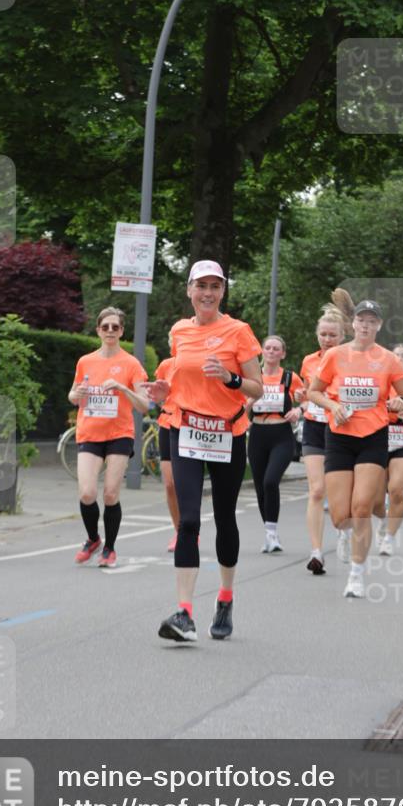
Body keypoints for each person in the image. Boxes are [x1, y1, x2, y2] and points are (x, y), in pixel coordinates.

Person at [144, 261, 262, 642]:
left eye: (215, 286)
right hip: (187, 430)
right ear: (189, 290)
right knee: (189, 521)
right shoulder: (179, 331)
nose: (208, 293)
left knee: (225, 518)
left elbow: (258, 387)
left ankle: (225, 597)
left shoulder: (238, 331)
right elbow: (180, 377)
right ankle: (184, 613)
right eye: (201, 286)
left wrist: (230, 378)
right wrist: (164, 391)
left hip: (227, 431)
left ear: (223, 291)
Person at [307, 292, 403, 599]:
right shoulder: (335, 355)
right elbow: (314, 392)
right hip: (339, 437)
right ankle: (344, 533)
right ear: (352, 323)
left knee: (362, 507)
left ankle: (356, 574)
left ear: (379, 325)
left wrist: (401, 402)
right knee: (341, 515)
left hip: (373, 437)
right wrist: (333, 406)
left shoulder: (389, 359)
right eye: (361, 320)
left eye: (372, 321)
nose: (366, 325)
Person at [69, 307, 149, 569]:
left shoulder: (131, 364)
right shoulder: (85, 361)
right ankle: (93, 539)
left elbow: (144, 405)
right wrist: (78, 394)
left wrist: (123, 387)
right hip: (90, 432)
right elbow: (72, 396)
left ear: (122, 331)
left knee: (111, 494)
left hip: (119, 434)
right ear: (98, 331)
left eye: (115, 327)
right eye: (106, 327)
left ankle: (110, 548)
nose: (111, 331)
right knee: (87, 493)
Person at [297, 307, 346, 574]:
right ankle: (316, 552)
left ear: (342, 336)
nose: (327, 339)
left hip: (341, 429)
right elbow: (308, 391)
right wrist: (302, 397)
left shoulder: (350, 360)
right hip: (314, 427)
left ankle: (344, 531)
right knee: (316, 490)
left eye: (332, 335)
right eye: (323, 334)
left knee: (339, 493)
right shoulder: (308, 361)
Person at [246, 334, 302, 554]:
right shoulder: (253, 378)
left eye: (276, 348)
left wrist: (298, 410)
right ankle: (270, 534)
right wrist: (249, 402)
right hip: (257, 434)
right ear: (262, 351)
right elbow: (240, 408)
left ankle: (272, 532)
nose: (271, 351)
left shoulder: (289, 377)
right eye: (268, 348)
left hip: (281, 435)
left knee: (271, 481)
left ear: (283, 354)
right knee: (260, 486)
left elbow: (307, 399)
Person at [373, 345, 403, 555]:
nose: (400, 358)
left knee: (397, 492)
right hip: (377, 440)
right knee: (375, 501)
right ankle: (384, 520)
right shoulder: (378, 381)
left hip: (402, 441)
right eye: (396, 355)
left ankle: (389, 538)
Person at [154, 354, 180, 551]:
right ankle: (179, 531)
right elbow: (159, 396)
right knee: (170, 484)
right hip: (168, 422)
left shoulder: (199, 361)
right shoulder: (166, 365)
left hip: (191, 425)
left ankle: (190, 528)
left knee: (187, 483)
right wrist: (157, 397)